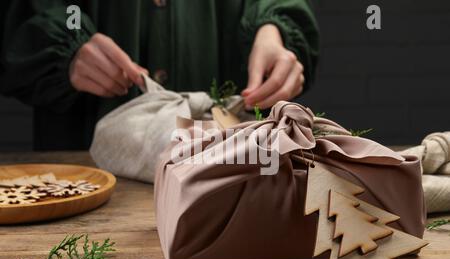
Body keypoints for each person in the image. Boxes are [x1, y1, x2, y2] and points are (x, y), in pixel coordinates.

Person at [0, 0, 319, 150]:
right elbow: (17, 18)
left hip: (229, 184)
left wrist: (273, 29)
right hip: (83, 177)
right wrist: (64, 47)